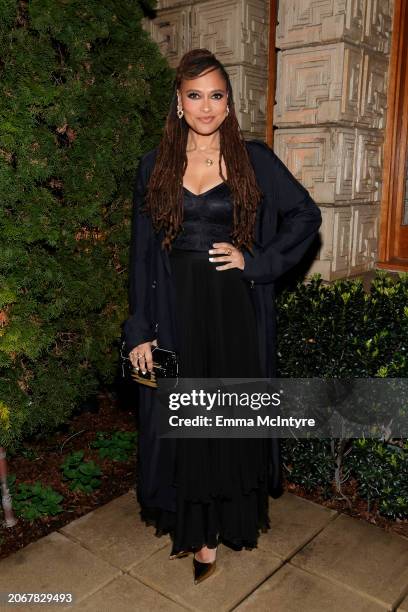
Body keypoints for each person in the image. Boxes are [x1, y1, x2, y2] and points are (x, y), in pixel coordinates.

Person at [123, 48, 322, 584]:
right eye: (195, 95)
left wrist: (257, 262)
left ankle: (221, 526)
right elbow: (141, 254)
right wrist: (139, 329)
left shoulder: (253, 158)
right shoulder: (153, 166)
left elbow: (306, 214)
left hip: (233, 308)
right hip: (174, 309)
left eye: (216, 95)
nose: (206, 107)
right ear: (179, 102)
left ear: (229, 104)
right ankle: (196, 528)